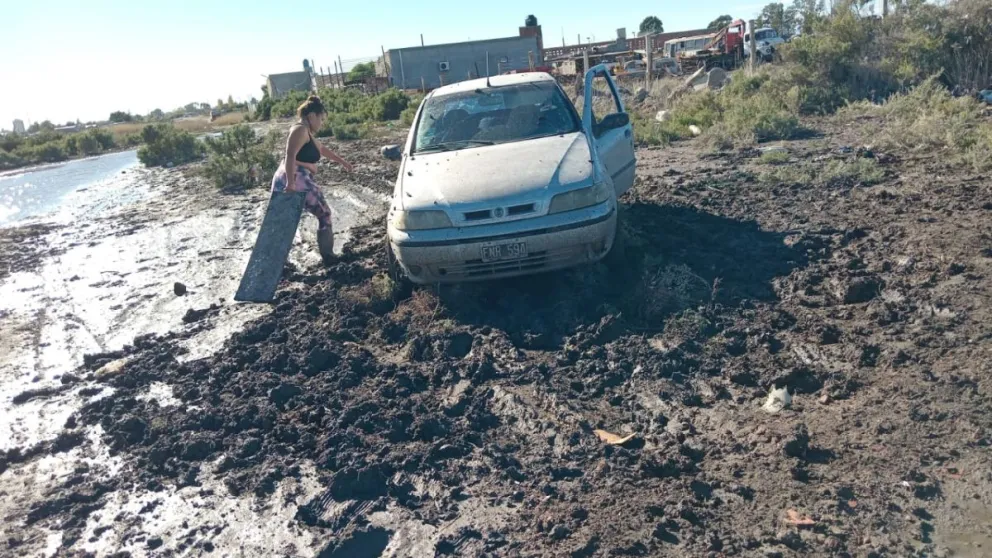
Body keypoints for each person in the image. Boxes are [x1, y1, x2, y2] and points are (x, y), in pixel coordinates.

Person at [270, 95, 354, 264]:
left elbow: (321, 149)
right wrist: (291, 184)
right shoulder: (300, 130)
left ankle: (278, 261)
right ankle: (329, 257)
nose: (322, 124)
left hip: (292, 176)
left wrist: (342, 161)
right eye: (321, 119)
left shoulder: (305, 131)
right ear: (311, 116)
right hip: (295, 177)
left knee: (283, 223)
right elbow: (289, 155)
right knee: (324, 213)